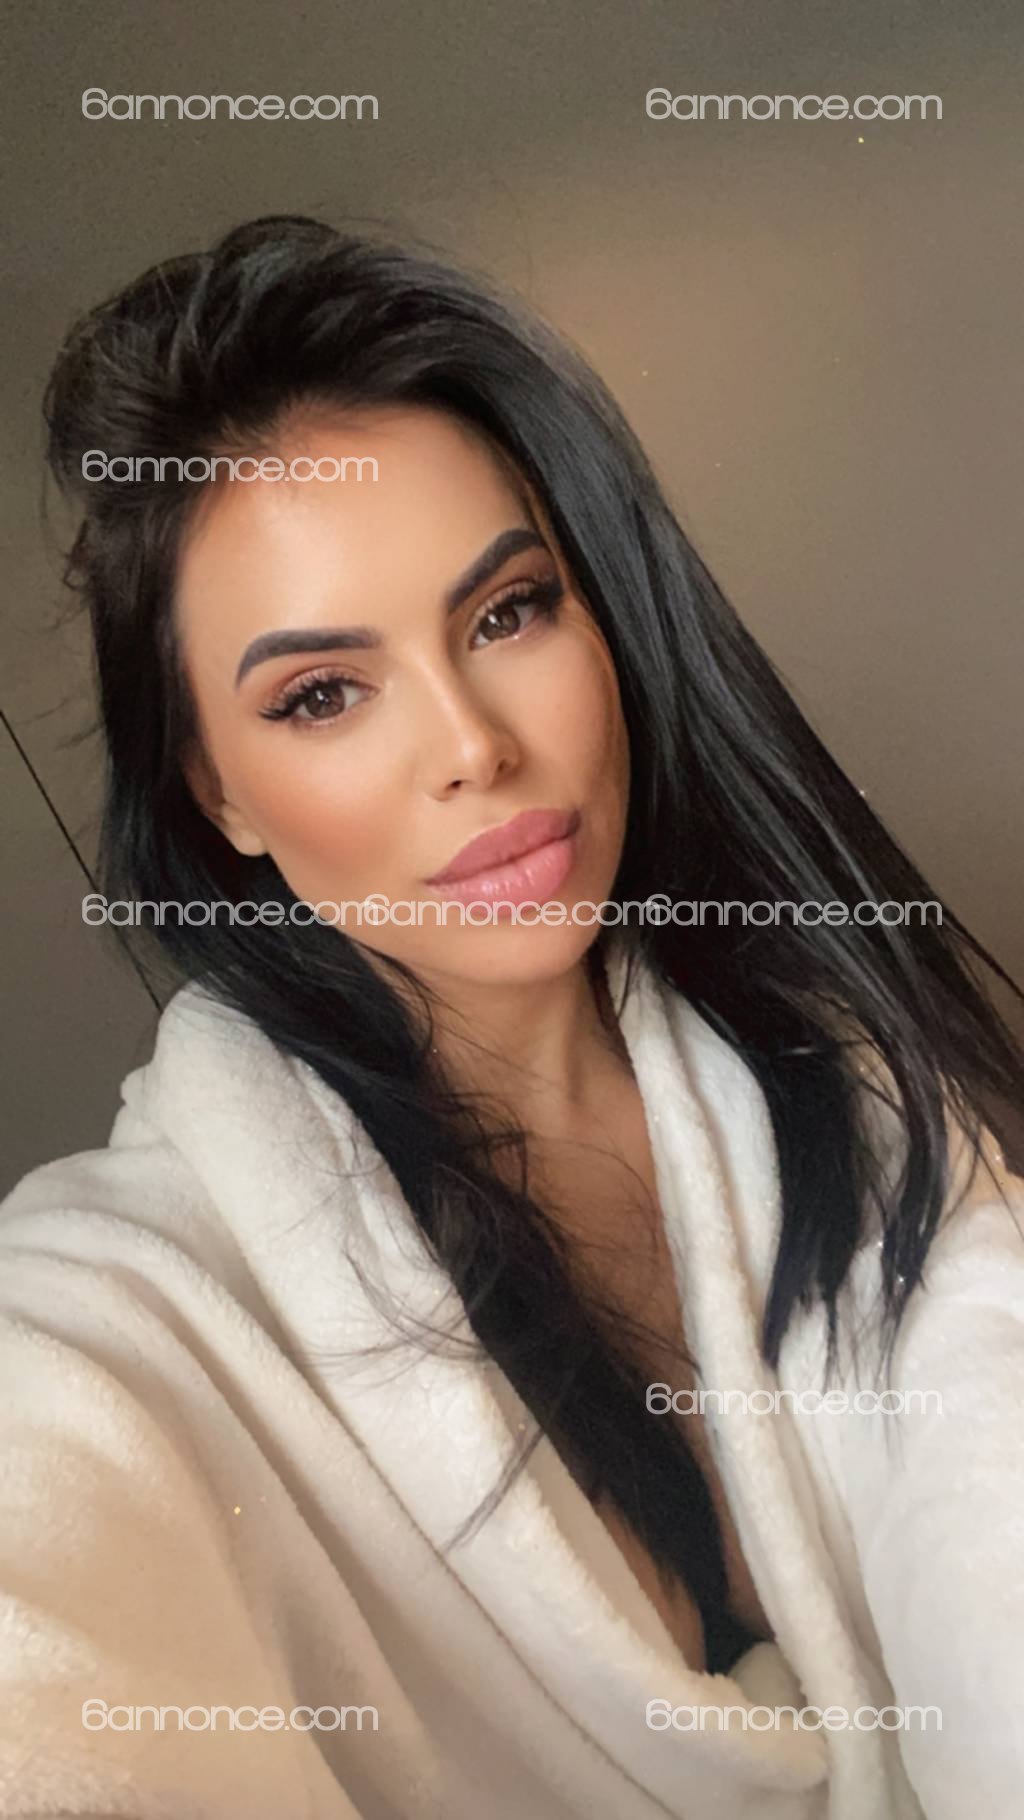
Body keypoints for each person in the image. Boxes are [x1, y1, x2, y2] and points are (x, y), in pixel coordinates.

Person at [1, 214, 1022, 1819]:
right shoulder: (122, 1304)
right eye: (322, 694)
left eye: (507, 613)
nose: (472, 744)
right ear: (220, 794)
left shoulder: (853, 1095)